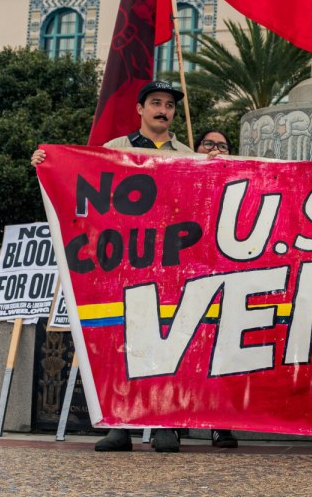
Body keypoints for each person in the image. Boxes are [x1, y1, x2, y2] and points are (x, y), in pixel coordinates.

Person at [32, 80, 199, 453]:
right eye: (156, 103)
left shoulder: (187, 154)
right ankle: (119, 425)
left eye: (170, 105)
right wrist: (47, 164)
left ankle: (163, 425)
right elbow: (82, 187)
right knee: (119, 344)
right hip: (122, 265)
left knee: (167, 344)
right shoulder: (113, 151)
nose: (163, 110)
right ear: (140, 109)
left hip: (168, 264)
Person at [192, 129, 238, 449]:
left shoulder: (240, 179)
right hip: (187, 274)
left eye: (222, 145)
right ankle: (174, 423)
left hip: (226, 276)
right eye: (209, 143)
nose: (216, 149)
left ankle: (220, 425)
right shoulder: (182, 170)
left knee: (221, 354)